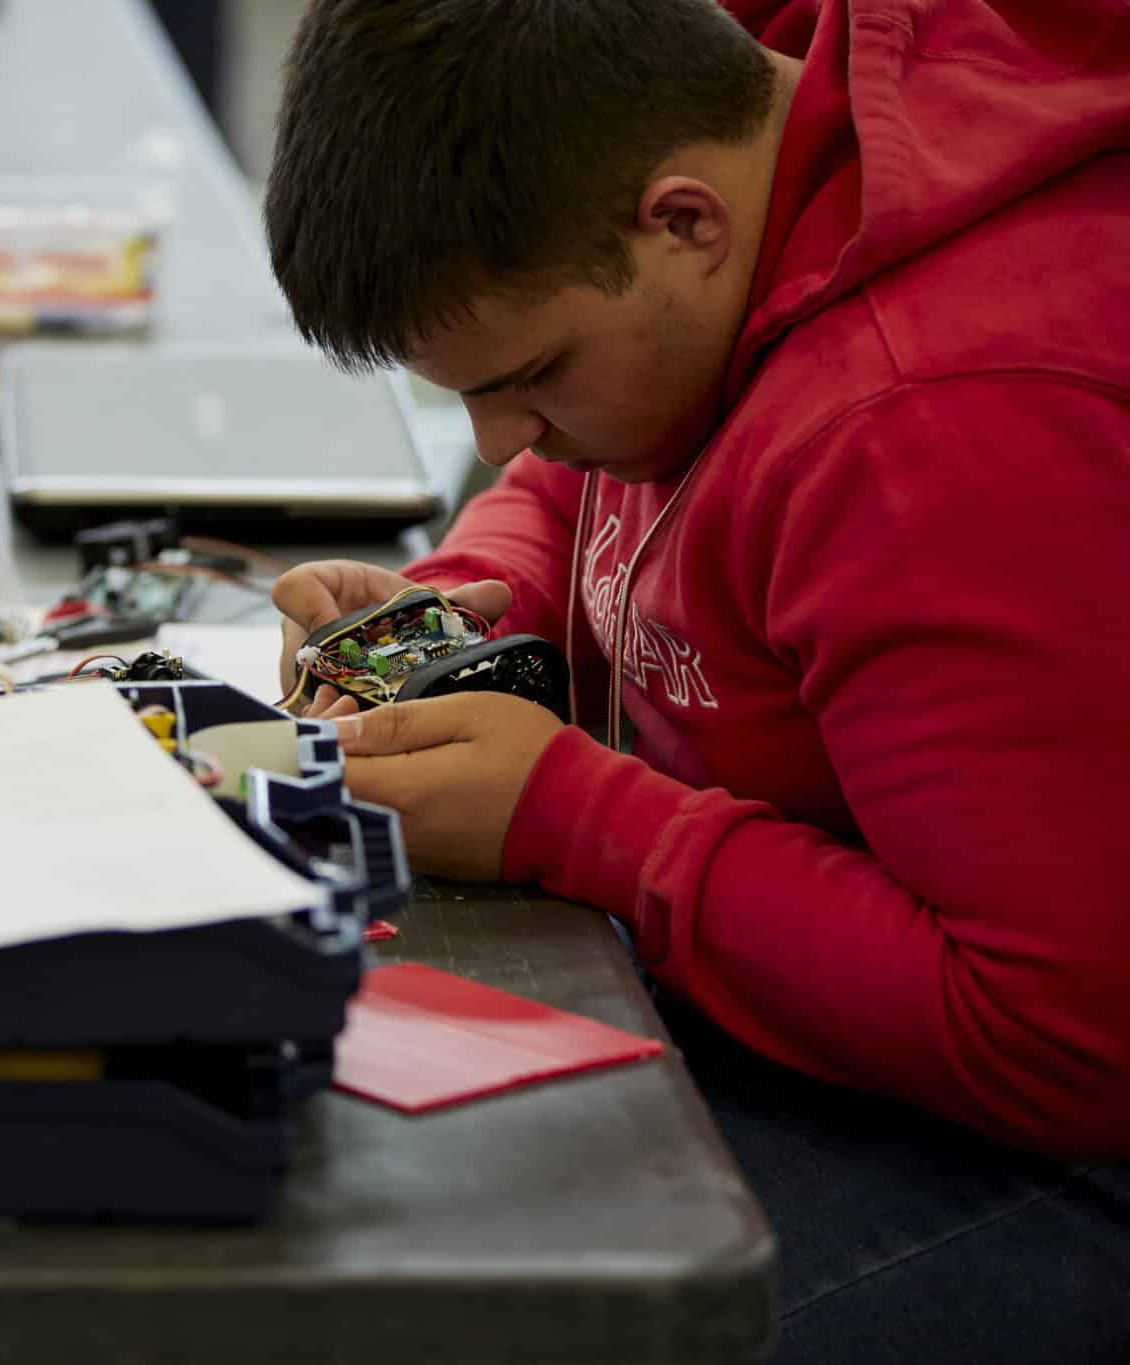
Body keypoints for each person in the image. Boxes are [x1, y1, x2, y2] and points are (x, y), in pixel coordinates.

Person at [261, 0, 1130, 1357]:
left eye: (531, 375)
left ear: (684, 222)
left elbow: (1061, 1041)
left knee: (441, 1316)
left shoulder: (929, 432)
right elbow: (584, 478)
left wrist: (579, 819)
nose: (496, 440)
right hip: (843, 1020)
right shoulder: (735, 144)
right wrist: (473, 597)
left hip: (1054, 1147)